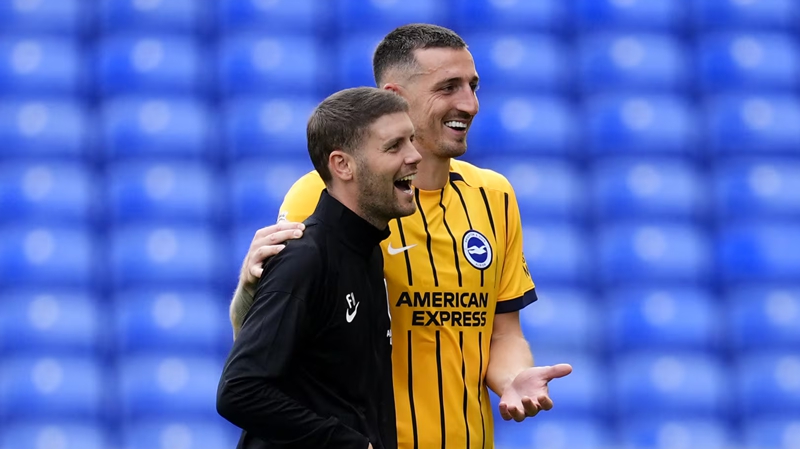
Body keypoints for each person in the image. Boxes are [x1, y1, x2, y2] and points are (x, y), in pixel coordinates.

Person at [229, 24, 573, 449]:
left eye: (473, 86)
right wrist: (249, 288)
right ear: (396, 96)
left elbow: (502, 332)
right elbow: (265, 343)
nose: (470, 104)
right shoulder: (324, 198)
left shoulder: (495, 196)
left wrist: (513, 378)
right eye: (448, 87)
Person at [217, 87, 422, 449]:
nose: (415, 156)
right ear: (342, 165)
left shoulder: (368, 251)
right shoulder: (305, 257)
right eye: (394, 146)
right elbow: (239, 390)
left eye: (412, 140)